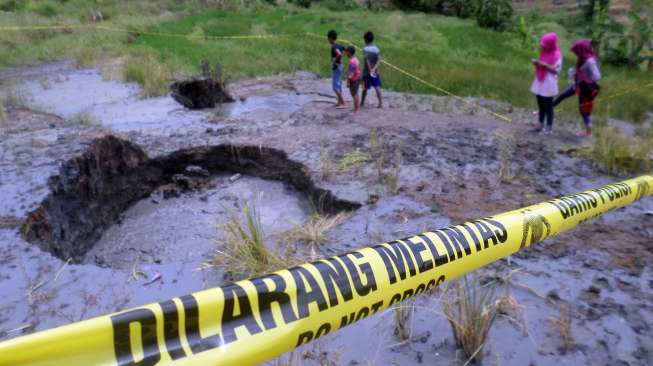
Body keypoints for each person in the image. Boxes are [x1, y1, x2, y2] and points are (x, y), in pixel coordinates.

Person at [553, 39, 601, 137]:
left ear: (582, 49)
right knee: (562, 96)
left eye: (577, 51)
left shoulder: (589, 61)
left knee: (584, 110)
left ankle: (588, 132)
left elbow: (597, 76)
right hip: (578, 85)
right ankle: (545, 110)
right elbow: (581, 70)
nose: (576, 53)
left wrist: (583, 77)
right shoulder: (582, 57)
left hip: (586, 88)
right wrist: (576, 73)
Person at [530, 32, 562, 135]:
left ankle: (549, 128)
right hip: (540, 81)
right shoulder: (543, 52)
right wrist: (537, 63)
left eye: (545, 46)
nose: (543, 47)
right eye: (542, 46)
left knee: (548, 106)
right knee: (540, 105)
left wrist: (544, 64)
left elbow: (556, 71)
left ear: (551, 44)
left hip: (549, 83)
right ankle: (540, 125)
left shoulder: (557, 55)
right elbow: (541, 63)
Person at [361, 31, 383, 108]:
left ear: (365, 40)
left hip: (367, 72)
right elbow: (379, 60)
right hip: (375, 72)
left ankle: (362, 102)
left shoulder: (365, 49)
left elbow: (366, 60)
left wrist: (370, 69)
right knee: (377, 86)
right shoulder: (377, 49)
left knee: (365, 88)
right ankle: (380, 103)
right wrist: (374, 69)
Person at [327, 30, 346, 108]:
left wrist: (335, 61)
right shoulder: (339, 45)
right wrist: (340, 58)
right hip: (340, 66)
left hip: (337, 67)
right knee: (339, 85)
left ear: (331, 38)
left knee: (334, 87)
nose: (328, 40)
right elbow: (345, 50)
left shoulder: (334, 46)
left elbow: (339, 53)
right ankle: (339, 102)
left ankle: (343, 103)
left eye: (328, 38)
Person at [345, 46, 361, 112]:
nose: (346, 54)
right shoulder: (356, 59)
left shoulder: (351, 62)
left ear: (349, 52)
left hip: (353, 80)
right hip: (357, 78)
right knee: (356, 93)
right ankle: (357, 107)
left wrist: (348, 82)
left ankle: (355, 109)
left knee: (353, 94)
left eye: (346, 52)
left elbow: (350, 74)